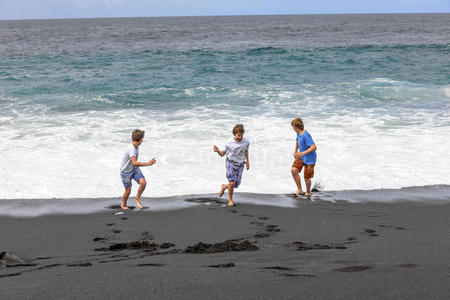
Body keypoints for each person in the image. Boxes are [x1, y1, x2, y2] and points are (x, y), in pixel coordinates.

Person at [213, 124, 250, 207]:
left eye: (241, 135)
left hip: (240, 164)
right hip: (230, 163)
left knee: (236, 184)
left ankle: (224, 187)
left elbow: (246, 151)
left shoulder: (246, 142)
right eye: (238, 135)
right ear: (234, 134)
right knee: (232, 183)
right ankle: (230, 200)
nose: (240, 137)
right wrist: (218, 151)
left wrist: (247, 162)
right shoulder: (229, 143)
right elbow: (222, 154)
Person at [119, 129, 156, 210]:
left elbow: (134, 165)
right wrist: (148, 163)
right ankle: (123, 204)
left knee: (143, 183)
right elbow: (134, 162)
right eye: (142, 140)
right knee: (128, 191)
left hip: (134, 168)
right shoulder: (131, 148)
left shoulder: (136, 145)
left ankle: (137, 198)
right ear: (141, 140)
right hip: (125, 172)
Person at [291, 118, 317, 197]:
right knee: (293, 170)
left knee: (306, 177)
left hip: (310, 159)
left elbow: (314, 147)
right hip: (301, 157)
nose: (292, 128)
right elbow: (297, 141)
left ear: (296, 127)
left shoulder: (306, 135)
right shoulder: (298, 133)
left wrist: (302, 153)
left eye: (293, 127)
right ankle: (300, 189)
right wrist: (295, 151)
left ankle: (308, 192)